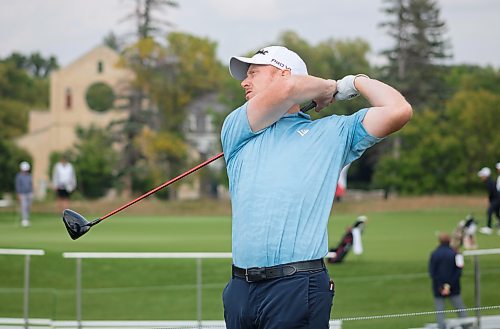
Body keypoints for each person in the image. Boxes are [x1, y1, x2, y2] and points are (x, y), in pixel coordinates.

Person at [220, 45, 412, 328]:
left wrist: (353, 83)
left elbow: (398, 110)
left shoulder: (332, 132)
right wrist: (329, 88)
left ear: (282, 74)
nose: (244, 82)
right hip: (240, 288)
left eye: (253, 73)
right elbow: (287, 90)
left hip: (297, 286)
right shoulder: (238, 128)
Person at [429, 232, 468, 329]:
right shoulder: (456, 254)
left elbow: (432, 272)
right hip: (454, 286)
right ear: (449, 240)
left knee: (440, 311)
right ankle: (466, 326)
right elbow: (459, 271)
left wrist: (442, 286)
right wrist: (449, 285)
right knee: (460, 309)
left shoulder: (434, 254)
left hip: (438, 287)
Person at [477, 167, 500, 235]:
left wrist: (490, 200)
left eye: (482, 175)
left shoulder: (490, 182)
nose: (481, 177)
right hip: (496, 199)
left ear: (486, 175)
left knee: (489, 211)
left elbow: (492, 193)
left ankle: (488, 228)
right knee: (497, 214)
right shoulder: (489, 182)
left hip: (497, 199)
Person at [15, 161, 33, 227]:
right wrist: (18, 193)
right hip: (22, 193)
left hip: (29, 193)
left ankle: (27, 219)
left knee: (28, 207)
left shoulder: (29, 175)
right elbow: (18, 185)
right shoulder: (19, 176)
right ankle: (24, 220)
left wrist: (32, 192)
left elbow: (31, 184)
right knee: (24, 206)